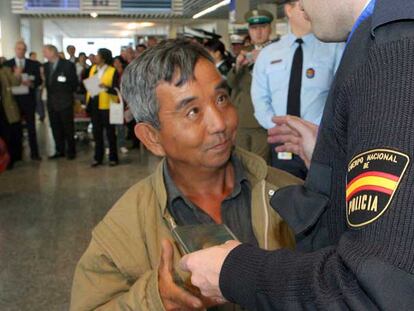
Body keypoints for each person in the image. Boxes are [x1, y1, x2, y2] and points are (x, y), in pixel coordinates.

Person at [180, 0, 414, 309]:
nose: (298, 5)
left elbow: (370, 290)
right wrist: (337, 155)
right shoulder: (377, 38)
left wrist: (234, 271)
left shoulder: (393, 49)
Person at [70, 39, 301, 311]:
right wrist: (155, 300)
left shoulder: (289, 192)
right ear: (152, 137)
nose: (220, 123)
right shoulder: (123, 230)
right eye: (193, 111)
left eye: (221, 98)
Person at [251, 0, 344, 179]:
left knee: (323, 194)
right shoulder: (269, 53)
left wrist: (313, 128)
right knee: (285, 192)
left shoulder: (334, 48)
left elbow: (340, 95)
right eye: (302, 4)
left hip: (321, 140)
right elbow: (260, 97)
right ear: (289, 10)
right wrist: (281, 128)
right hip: (281, 141)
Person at [228, 9, 276, 162]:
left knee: (261, 164)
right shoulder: (244, 52)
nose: (259, 32)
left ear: (270, 29)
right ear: (249, 30)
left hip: (264, 119)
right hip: (242, 117)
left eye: (263, 27)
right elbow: (231, 84)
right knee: (241, 162)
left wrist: (263, 63)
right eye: (254, 28)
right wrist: (237, 67)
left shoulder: (278, 52)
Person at [4, 40, 42, 161]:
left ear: (26, 50)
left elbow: (39, 81)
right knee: (15, 128)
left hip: (28, 99)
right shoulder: (7, 64)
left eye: (23, 49)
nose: (21, 51)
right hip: (13, 101)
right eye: (19, 49)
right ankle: (17, 154)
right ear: (15, 50)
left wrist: (32, 83)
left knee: (31, 127)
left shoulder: (33, 64)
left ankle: (34, 153)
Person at [43, 44, 78, 160]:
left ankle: (71, 151)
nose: (44, 54)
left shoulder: (68, 65)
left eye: (45, 52)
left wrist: (63, 86)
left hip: (65, 101)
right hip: (52, 103)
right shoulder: (46, 66)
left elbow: (74, 84)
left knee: (68, 127)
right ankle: (59, 150)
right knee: (55, 127)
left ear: (52, 52)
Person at [86, 48, 119, 167]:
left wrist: (106, 87)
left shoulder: (112, 71)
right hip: (95, 104)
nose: (95, 57)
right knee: (97, 133)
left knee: (110, 133)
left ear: (103, 58)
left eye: (97, 55)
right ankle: (97, 158)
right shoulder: (93, 69)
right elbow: (90, 86)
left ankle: (113, 158)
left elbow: (116, 90)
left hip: (107, 106)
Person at [0, 63, 23, 169]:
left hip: (5, 106)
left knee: (8, 133)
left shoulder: (5, 70)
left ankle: (9, 159)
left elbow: (15, 84)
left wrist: (17, 75)